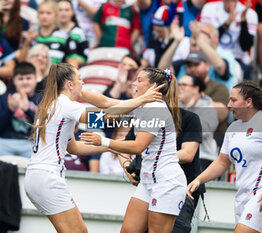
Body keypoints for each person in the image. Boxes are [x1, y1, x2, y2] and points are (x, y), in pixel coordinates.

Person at [24, 63, 163, 233]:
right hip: (47, 177)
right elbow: (106, 117)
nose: (82, 83)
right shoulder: (66, 105)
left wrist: (109, 146)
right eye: (80, 79)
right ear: (70, 84)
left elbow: (74, 148)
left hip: (36, 177)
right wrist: (142, 99)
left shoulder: (52, 105)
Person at [80, 68, 187, 233]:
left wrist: (104, 141)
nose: (133, 83)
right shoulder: (141, 104)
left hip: (167, 182)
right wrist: (75, 91)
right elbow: (105, 103)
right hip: (148, 181)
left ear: (154, 87)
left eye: (139, 80)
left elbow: (138, 146)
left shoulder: (155, 107)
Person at [187, 80, 262, 233]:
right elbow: (223, 161)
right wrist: (199, 179)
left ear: (248, 102)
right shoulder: (233, 127)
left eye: (233, 100)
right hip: (243, 196)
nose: (229, 105)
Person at [0, 62, 41, 158]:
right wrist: (10, 109)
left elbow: (46, 128)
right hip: (3, 142)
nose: (25, 82)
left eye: (28, 78)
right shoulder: (3, 98)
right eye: (20, 79)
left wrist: (27, 110)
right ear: (14, 81)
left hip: (31, 143)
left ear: (36, 79)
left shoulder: (43, 99)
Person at [200, 0, 258, 81]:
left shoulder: (249, 13)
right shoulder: (209, 8)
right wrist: (227, 23)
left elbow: (245, 46)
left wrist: (243, 21)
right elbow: (204, 38)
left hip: (238, 58)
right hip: (213, 54)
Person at [57, 0, 89, 68]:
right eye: (60, 10)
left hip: (72, 68)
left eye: (67, 10)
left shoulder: (78, 32)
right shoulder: (52, 31)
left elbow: (85, 55)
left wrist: (74, 61)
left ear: (72, 12)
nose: (63, 13)